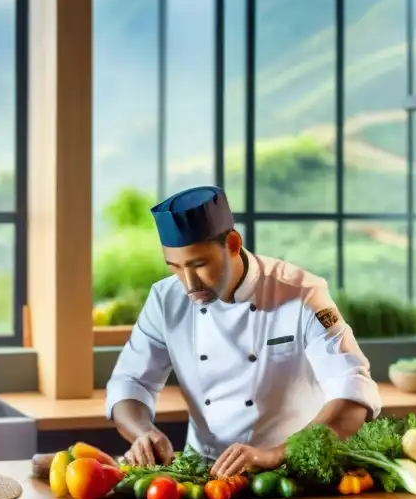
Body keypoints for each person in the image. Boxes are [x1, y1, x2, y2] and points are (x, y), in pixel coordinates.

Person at [105, 184, 382, 479]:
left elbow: (352, 391)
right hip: (203, 477)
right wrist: (143, 433)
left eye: (199, 265)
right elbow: (130, 382)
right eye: (175, 268)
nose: (188, 284)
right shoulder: (165, 299)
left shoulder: (302, 293)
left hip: (291, 473)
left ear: (233, 244)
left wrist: (275, 454)